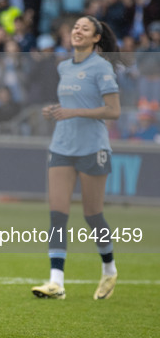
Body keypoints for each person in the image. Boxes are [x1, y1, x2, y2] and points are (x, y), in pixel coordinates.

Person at [32, 16, 122, 300]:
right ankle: (55, 282)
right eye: (75, 27)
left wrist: (73, 112)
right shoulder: (64, 66)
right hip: (62, 145)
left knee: (92, 215)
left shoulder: (102, 67)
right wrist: (56, 111)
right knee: (57, 215)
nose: (77, 31)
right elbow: (73, 104)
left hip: (92, 148)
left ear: (96, 38)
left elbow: (113, 111)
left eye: (85, 28)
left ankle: (109, 269)